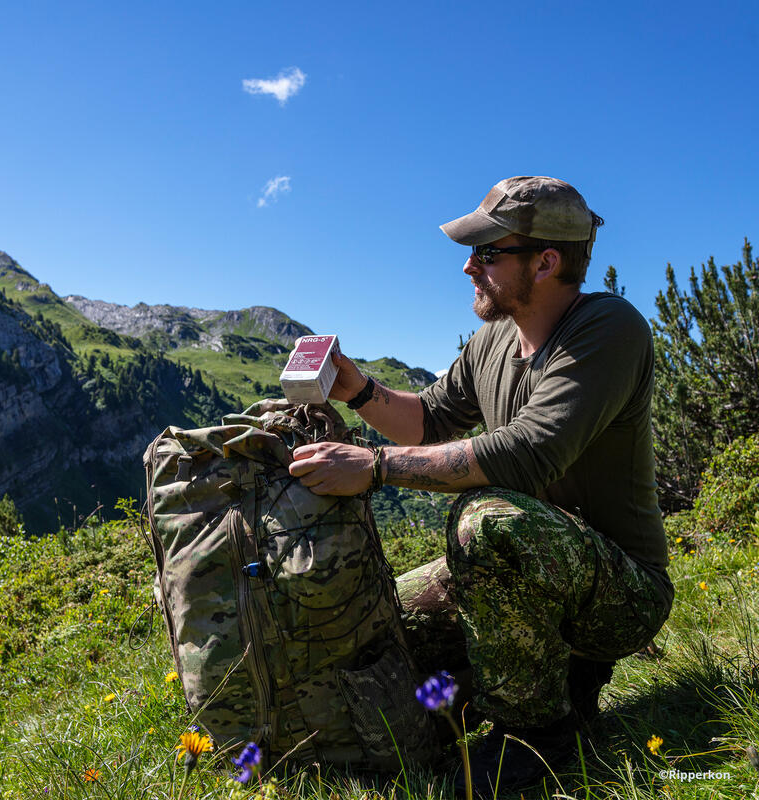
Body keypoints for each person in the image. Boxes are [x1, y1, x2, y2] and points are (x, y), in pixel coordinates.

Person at [287, 176, 673, 793]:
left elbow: (527, 454)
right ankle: (508, 690)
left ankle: (540, 738)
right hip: (535, 562)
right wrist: (356, 389)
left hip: (621, 591)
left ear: (546, 261)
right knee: (383, 621)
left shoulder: (609, 329)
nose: (469, 266)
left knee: (488, 521)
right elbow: (428, 420)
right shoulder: (493, 339)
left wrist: (375, 469)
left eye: (489, 253)